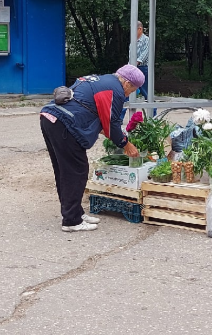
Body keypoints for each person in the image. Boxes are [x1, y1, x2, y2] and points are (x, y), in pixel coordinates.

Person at [40, 65, 143, 232]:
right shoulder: (116, 90)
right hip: (65, 124)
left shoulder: (100, 80)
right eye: (132, 90)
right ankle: (71, 221)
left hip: (50, 118)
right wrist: (126, 144)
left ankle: (74, 213)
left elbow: (91, 109)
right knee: (77, 171)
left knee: (64, 170)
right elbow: (111, 123)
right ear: (127, 83)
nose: (129, 94)